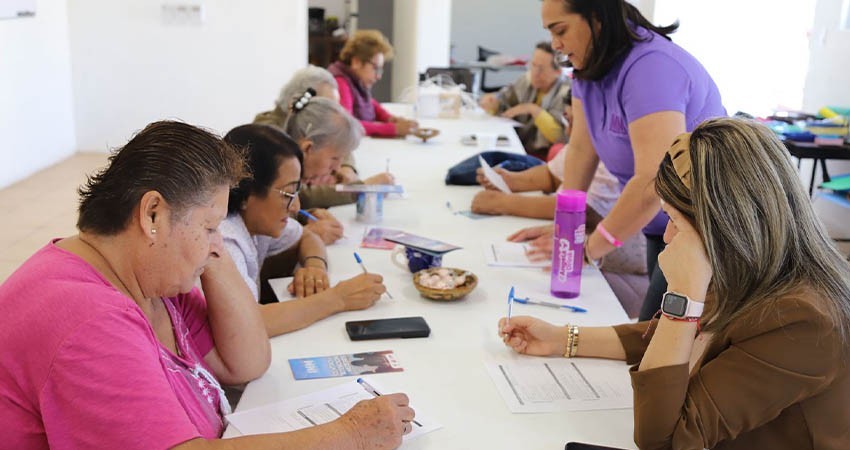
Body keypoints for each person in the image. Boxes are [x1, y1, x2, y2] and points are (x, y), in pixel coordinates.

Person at [0, 121, 415, 449]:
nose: (220, 244)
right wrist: (350, 436)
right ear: (152, 216)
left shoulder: (149, 280)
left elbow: (245, 362)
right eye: (211, 226)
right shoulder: (87, 319)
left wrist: (207, 250)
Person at [500, 118, 850, 450]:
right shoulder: (754, 269)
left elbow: (664, 439)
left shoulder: (803, 321)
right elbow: (671, 342)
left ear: (727, 226)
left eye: (675, 221)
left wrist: (683, 297)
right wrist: (563, 338)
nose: (667, 236)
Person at [510, 0, 726, 320]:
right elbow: (582, 150)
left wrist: (589, 249)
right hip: (662, 228)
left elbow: (653, 180)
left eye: (561, 30)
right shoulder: (588, 70)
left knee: (657, 340)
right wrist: (566, 229)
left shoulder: (651, 68)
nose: (556, 44)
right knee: (655, 335)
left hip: (705, 231)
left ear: (597, 18)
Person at [221, 124, 388, 337]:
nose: (295, 207)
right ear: (246, 192)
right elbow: (248, 323)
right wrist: (338, 298)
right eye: (287, 193)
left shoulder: (254, 220)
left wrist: (315, 266)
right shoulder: (225, 239)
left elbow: (306, 236)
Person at [479, 41, 571, 159]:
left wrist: (532, 109)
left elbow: (560, 136)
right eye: (533, 65)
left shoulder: (566, 93)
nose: (534, 73)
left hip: (544, 156)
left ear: (558, 72)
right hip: (518, 146)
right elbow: (504, 102)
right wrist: (493, 103)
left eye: (541, 69)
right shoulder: (526, 81)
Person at [329, 29, 418, 138]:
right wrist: (393, 129)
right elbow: (348, 125)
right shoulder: (340, 83)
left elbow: (369, 103)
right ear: (356, 62)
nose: (378, 76)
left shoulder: (354, 80)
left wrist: (389, 118)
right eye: (375, 68)